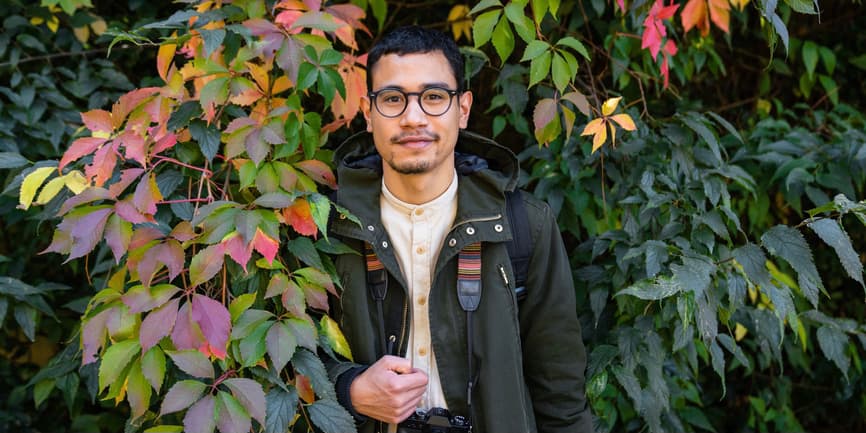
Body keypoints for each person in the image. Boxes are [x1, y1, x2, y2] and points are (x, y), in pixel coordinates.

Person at [326, 25, 593, 433]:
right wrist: (348, 388)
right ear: (368, 112)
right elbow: (285, 364)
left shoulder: (524, 227)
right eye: (393, 99)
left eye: (434, 97)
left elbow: (560, 393)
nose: (413, 118)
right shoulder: (326, 225)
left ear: (463, 109)